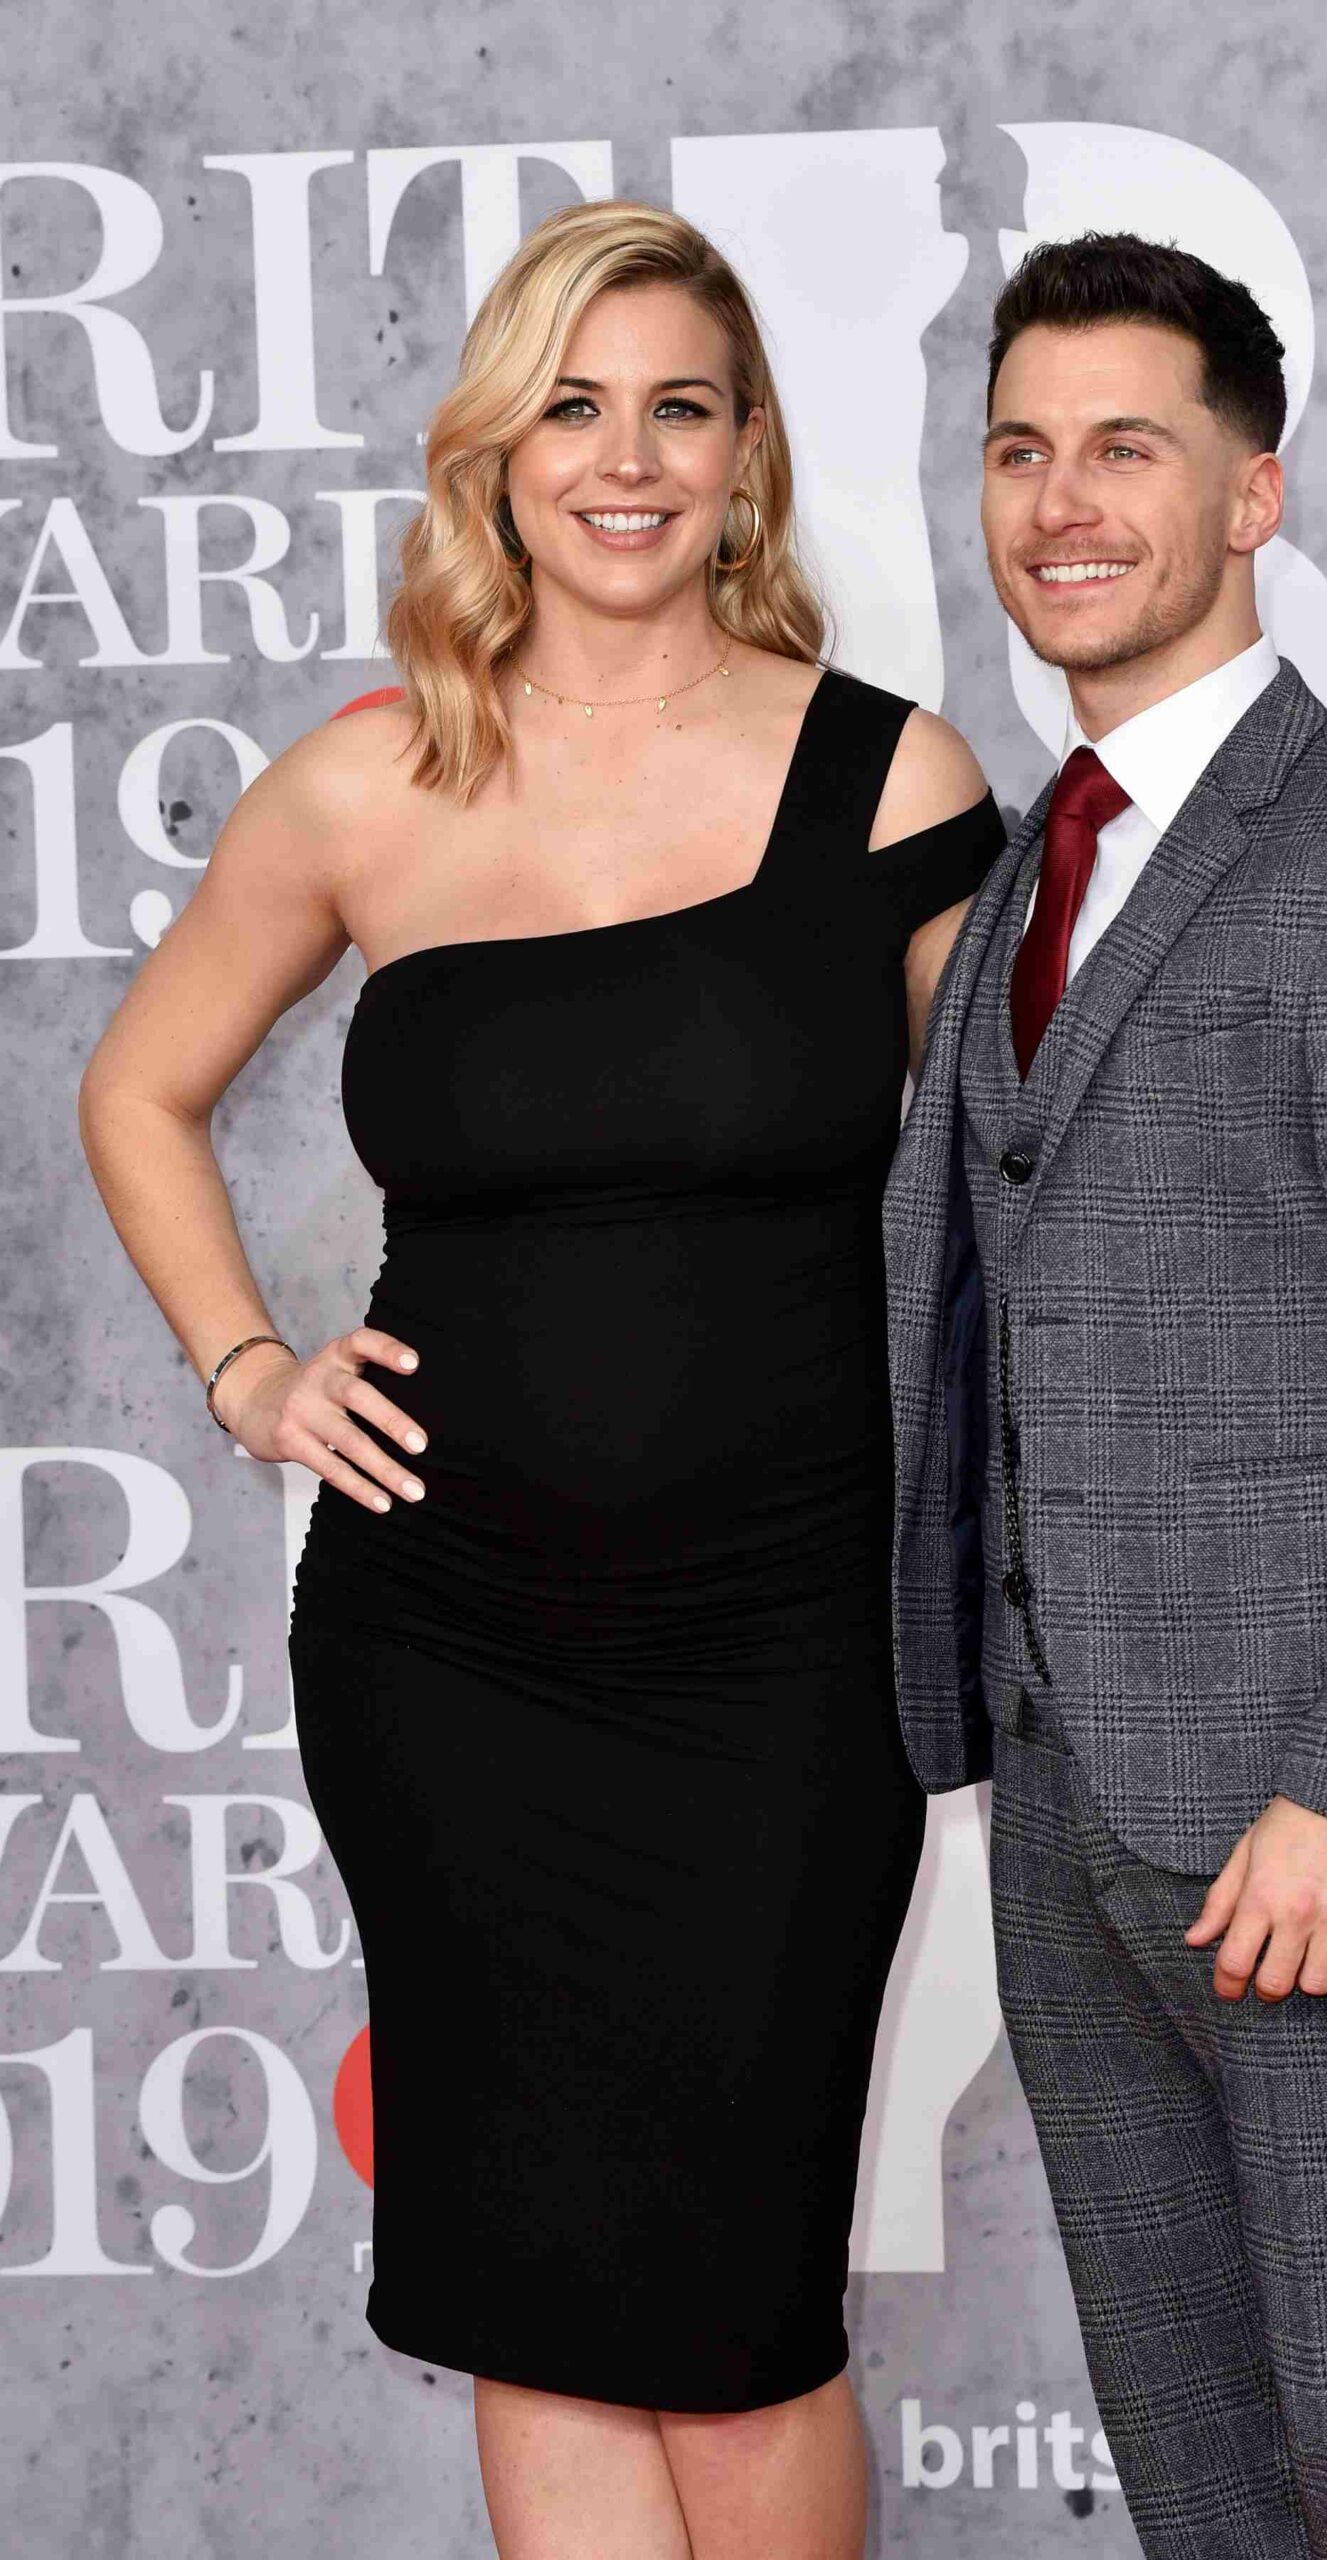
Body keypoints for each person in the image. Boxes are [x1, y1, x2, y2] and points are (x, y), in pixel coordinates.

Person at [78, 198, 1004, 2560]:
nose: (625, 457)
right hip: (450, 1654)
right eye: (571, 405)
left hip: (781, 1660)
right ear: (491, 453)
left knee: (737, 2319)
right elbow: (136, 1087)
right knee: (544, 2297)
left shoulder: (887, 786)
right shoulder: (369, 785)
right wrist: (249, 1365)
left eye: (678, 404)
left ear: (742, 455)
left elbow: (1023, 1212)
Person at [885, 230, 1327, 2556]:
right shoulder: (1033, 872)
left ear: (1252, 495)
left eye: (1124, 448)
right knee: (1207, 2494)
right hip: (1074, 1814)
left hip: (1320, 1835)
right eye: (1016, 448)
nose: (1057, 501)